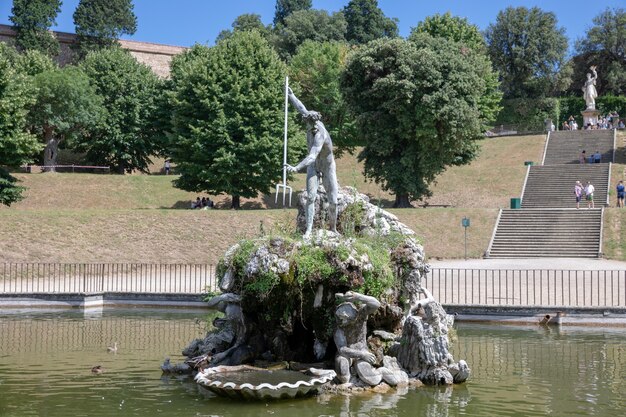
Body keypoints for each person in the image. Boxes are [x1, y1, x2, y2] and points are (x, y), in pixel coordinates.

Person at [285, 87, 338, 239]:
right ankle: (308, 230)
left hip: (326, 165)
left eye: (309, 125)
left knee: (333, 200)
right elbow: (302, 108)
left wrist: (296, 168)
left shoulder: (319, 135)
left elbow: (312, 156)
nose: (308, 128)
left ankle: (333, 229)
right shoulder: (310, 119)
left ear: (314, 124)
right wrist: (291, 96)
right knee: (311, 197)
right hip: (313, 167)